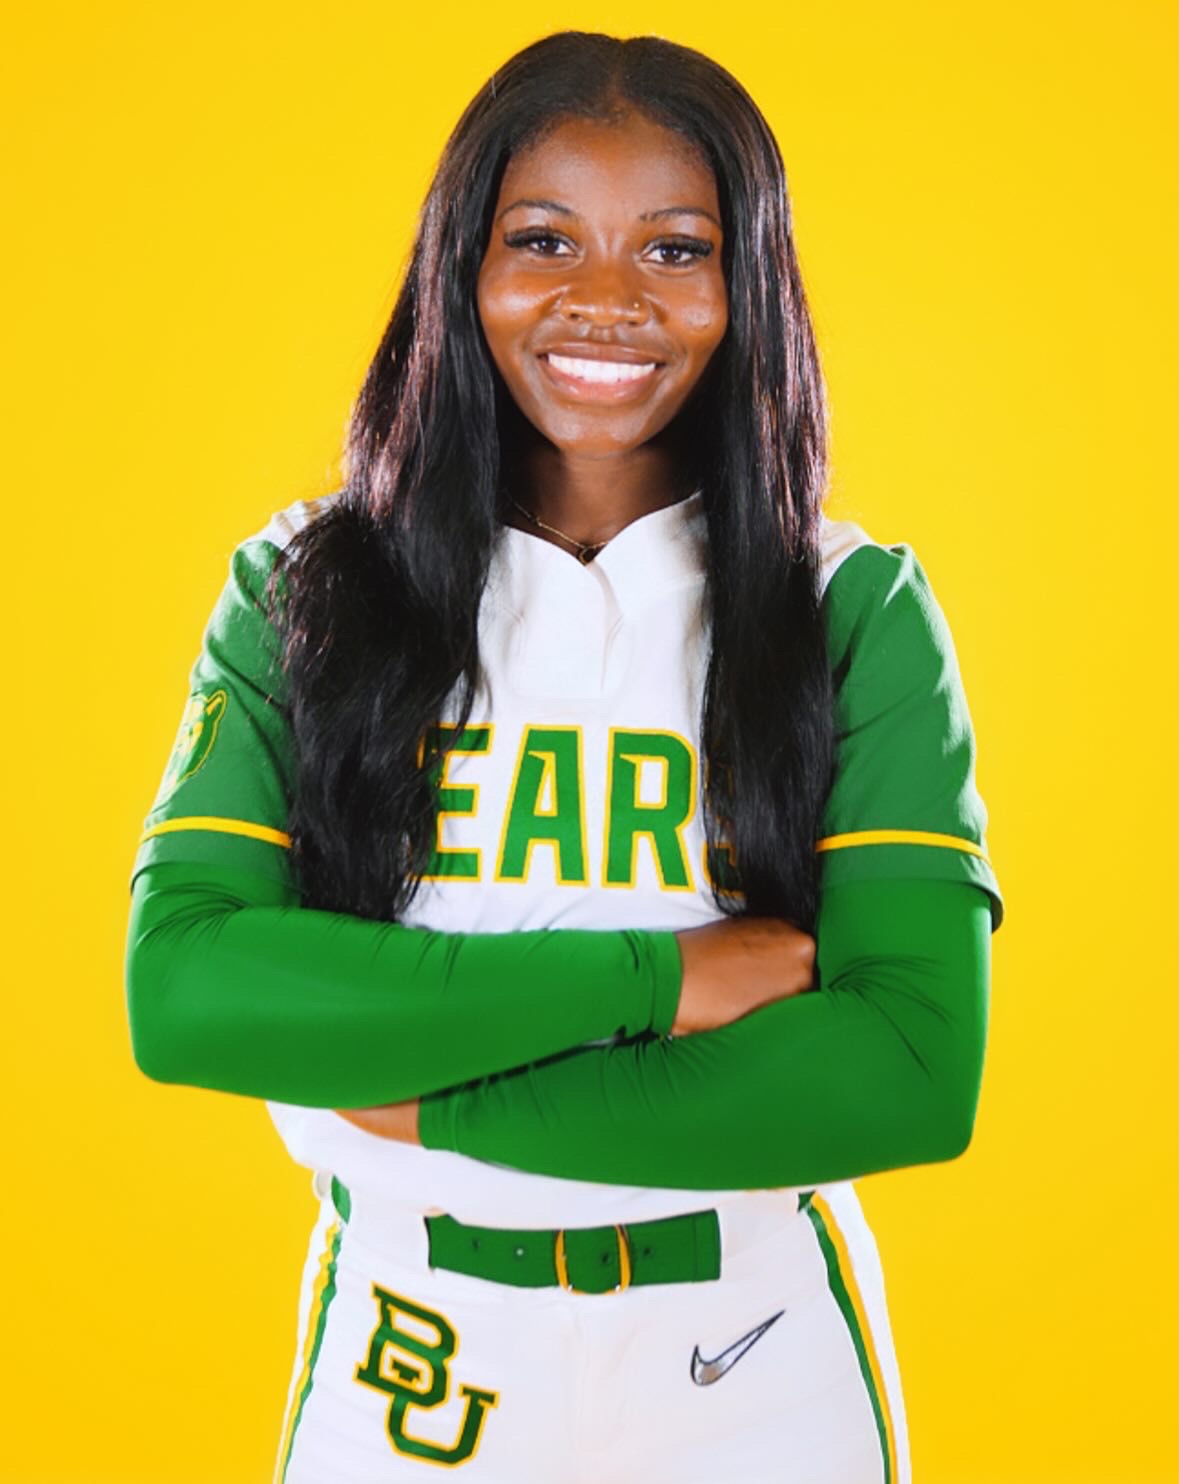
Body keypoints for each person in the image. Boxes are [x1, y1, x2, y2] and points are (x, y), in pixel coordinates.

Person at [125, 29, 1001, 1484]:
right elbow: (189, 991)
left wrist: (431, 1098)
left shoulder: (851, 605)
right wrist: (657, 979)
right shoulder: (306, 583)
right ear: (460, 269)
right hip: (416, 1345)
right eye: (542, 240)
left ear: (747, 285)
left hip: (749, 1349)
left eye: (676, 249)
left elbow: (906, 1071)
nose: (607, 299)